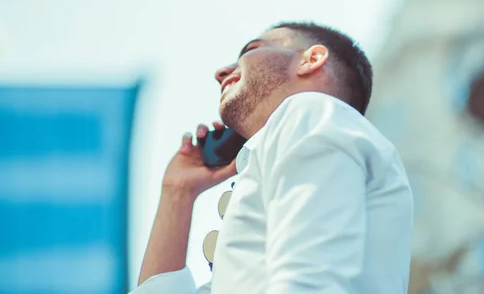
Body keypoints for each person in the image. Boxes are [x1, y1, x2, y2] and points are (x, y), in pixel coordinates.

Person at [131, 22, 413, 294]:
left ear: (311, 59)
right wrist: (178, 193)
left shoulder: (310, 113)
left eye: (251, 49)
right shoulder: (305, 132)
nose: (221, 72)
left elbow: (311, 280)